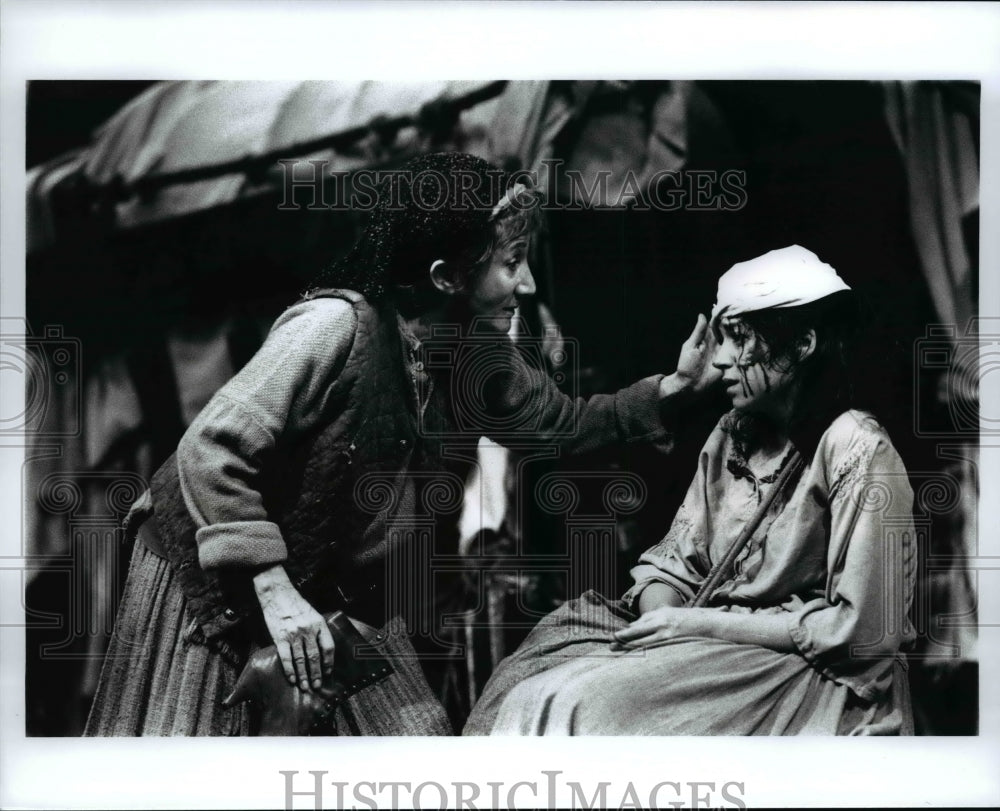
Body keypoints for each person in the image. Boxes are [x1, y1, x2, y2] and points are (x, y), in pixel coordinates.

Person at [84, 152, 717, 736]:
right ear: (445, 276)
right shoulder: (334, 327)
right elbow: (211, 450)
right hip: (217, 573)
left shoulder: (474, 351)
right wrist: (274, 591)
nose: (525, 285)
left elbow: (558, 426)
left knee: (413, 744)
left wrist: (677, 388)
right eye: (510, 262)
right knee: (206, 757)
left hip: (336, 596)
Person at [464, 245, 917, 736]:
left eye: (738, 338)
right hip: (712, 644)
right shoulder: (736, 430)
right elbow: (678, 563)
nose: (719, 360)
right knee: (527, 679)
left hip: (805, 667)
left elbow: (864, 632)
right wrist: (662, 626)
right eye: (720, 338)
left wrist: (693, 628)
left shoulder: (856, 447)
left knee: (580, 703)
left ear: (803, 344)